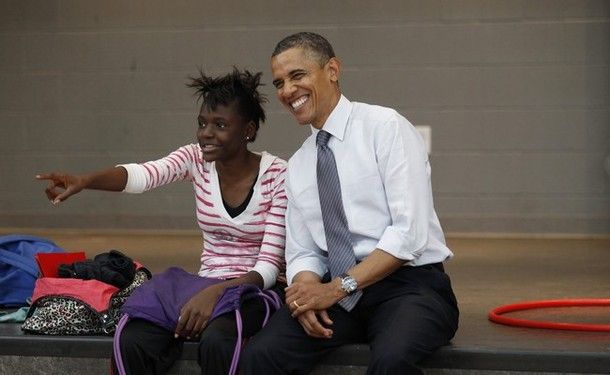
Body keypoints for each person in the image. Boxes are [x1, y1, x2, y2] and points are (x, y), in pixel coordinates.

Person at [36, 68, 287, 375]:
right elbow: (143, 175)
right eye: (202, 123)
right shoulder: (196, 159)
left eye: (220, 125)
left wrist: (218, 293)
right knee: (132, 338)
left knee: (218, 340)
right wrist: (85, 180)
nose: (206, 133)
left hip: (254, 289)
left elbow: (268, 268)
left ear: (248, 130)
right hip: (202, 283)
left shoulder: (278, 175)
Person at [240, 32, 459, 375]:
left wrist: (336, 288)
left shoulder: (385, 128)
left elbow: (409, 235)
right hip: (337, 291)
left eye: (297, 76)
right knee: (261, 355)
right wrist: (307, 290)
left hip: (409, 286)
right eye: (279, 83)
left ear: (332, 70)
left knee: (391, 360)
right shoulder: (298, 165)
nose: (286, 91)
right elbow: (303, 252)